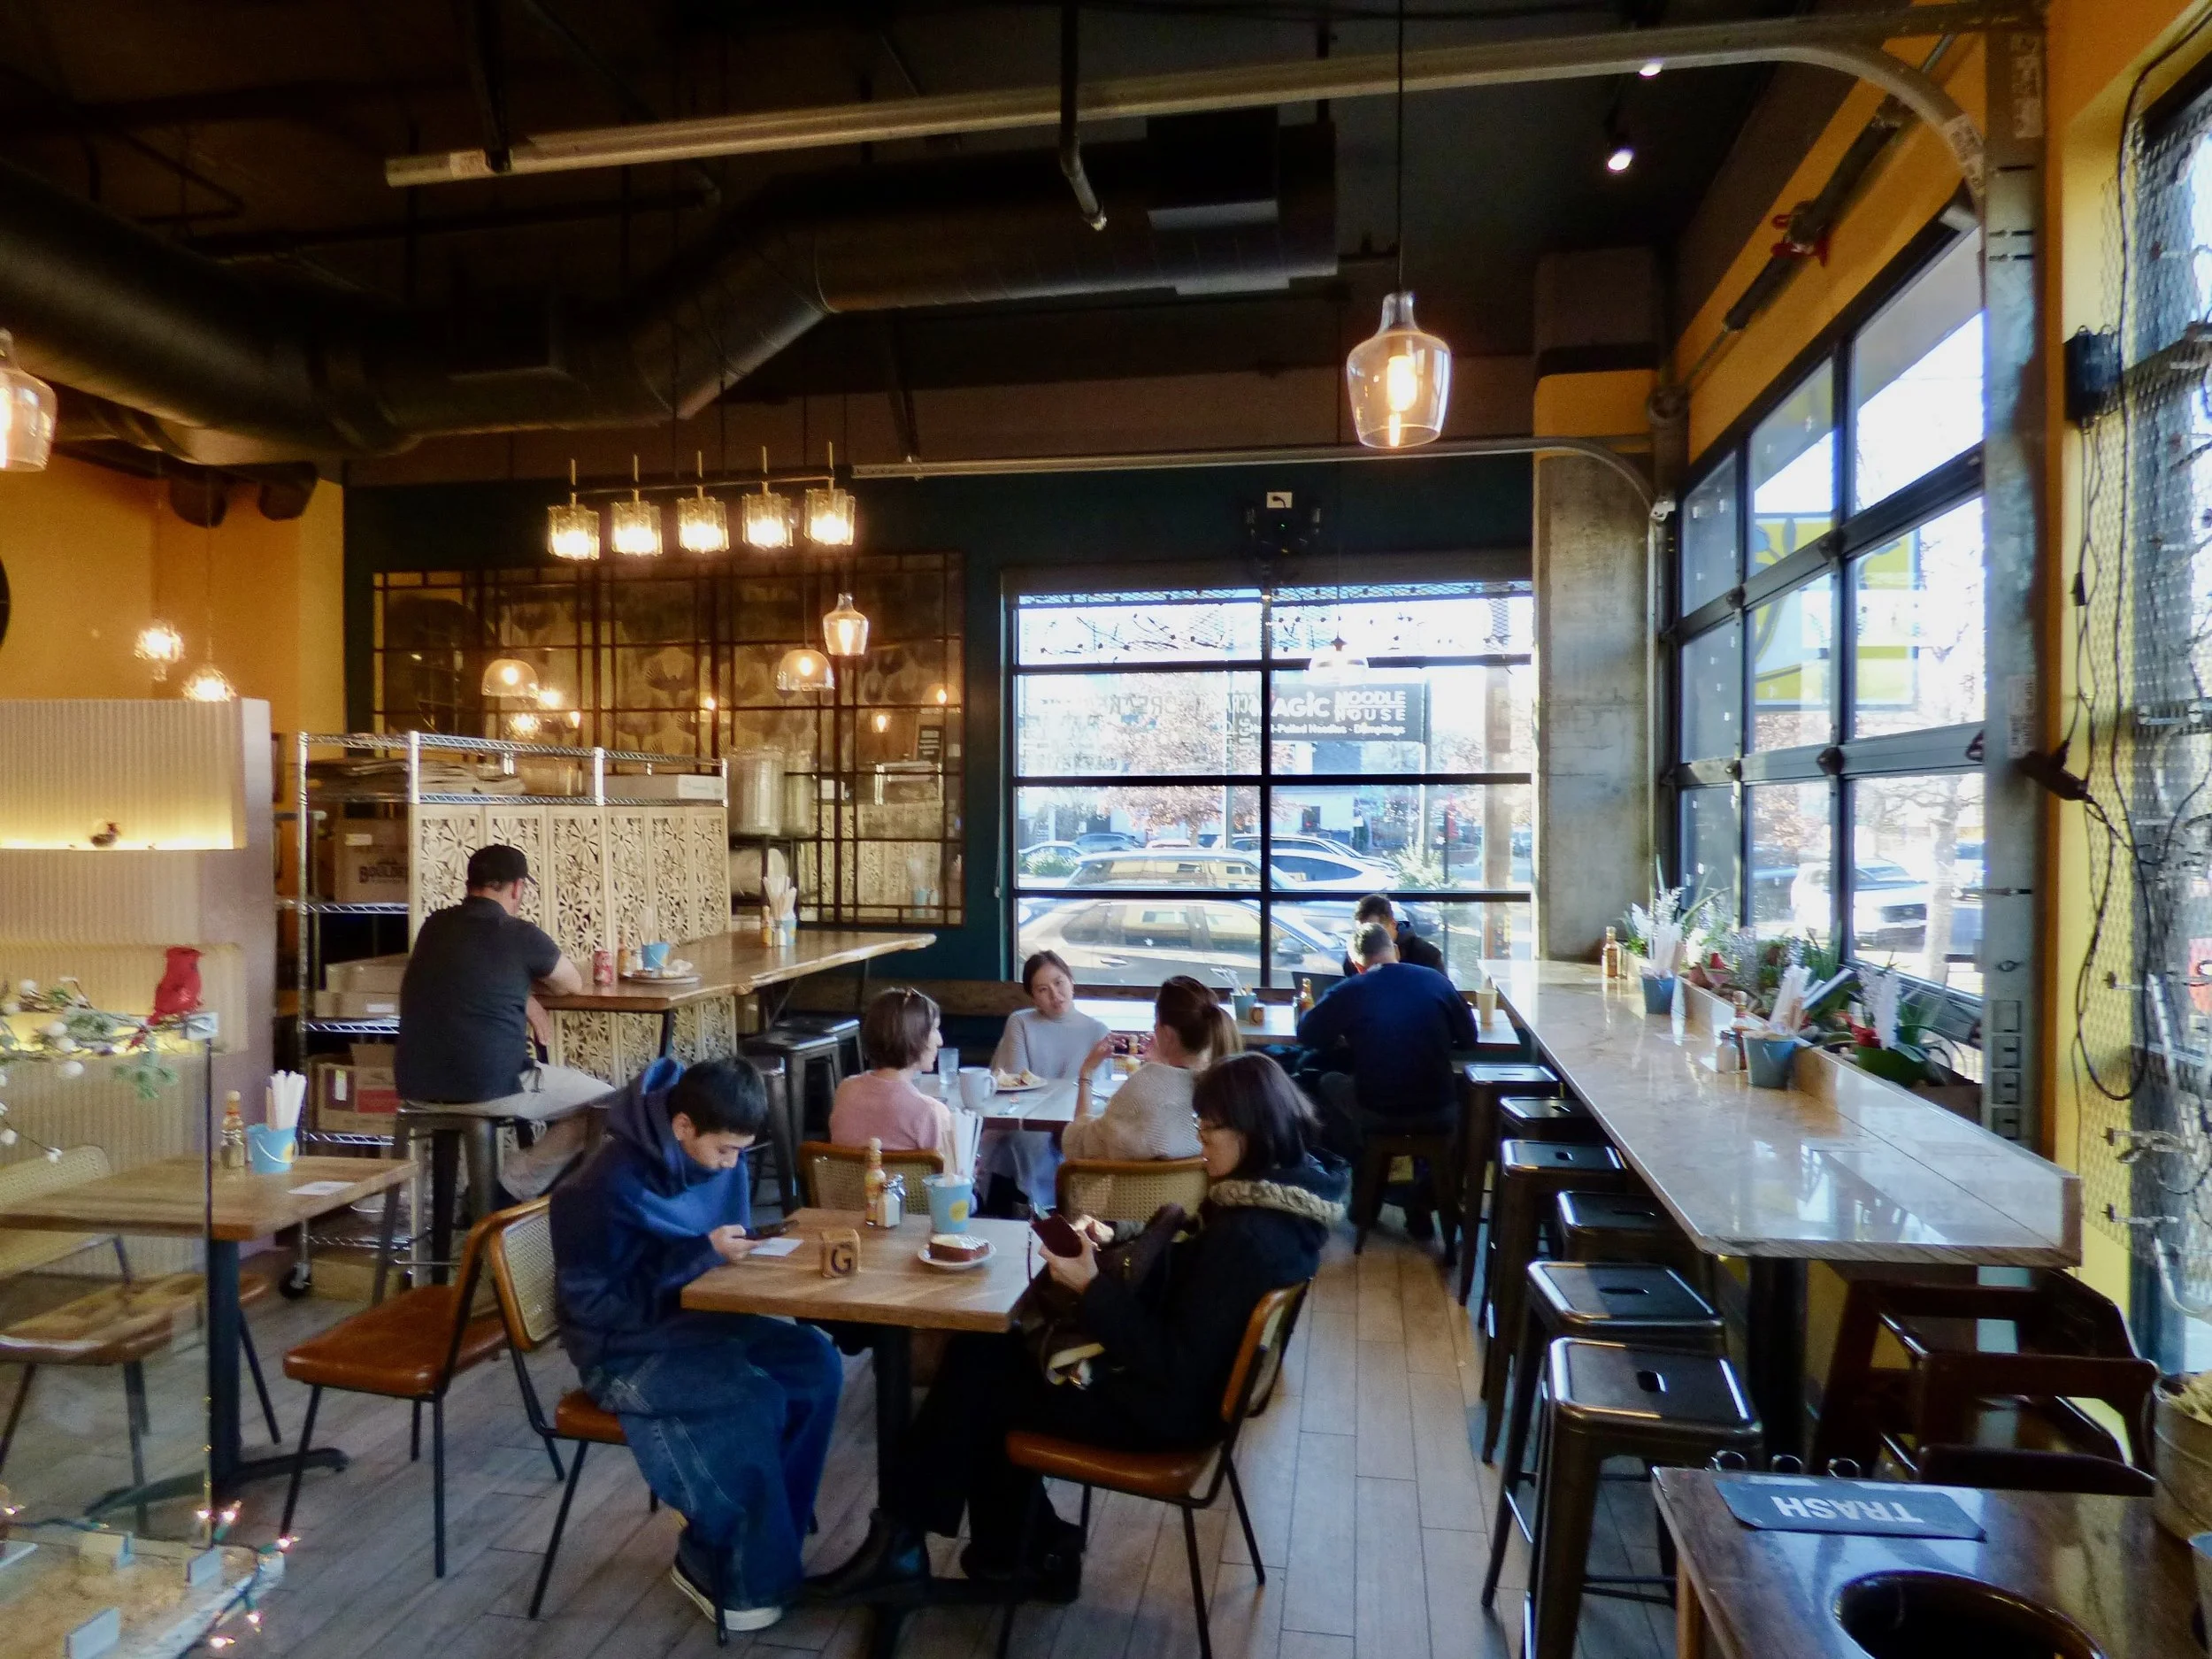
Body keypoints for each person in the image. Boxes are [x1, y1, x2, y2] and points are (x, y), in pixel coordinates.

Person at [808, 1051, 1346, 1605]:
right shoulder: (1285, 1206)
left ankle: (909, 1543)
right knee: (988, 1356)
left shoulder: (1248, 1238)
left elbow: (1172, 1361)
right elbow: (1197, 1299)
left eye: (1210, 1128)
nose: (1200, 1140)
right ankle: (1013, 1551)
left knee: (980, 1374)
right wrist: (1119, 1246)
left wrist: (1093, 1286)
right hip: (1187, 1399)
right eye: (1199, 1124)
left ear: (1253, 1131)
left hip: (1167, 1415)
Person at [550, 1058, 843, 1633]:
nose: (733, 1165)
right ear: (683, 1126)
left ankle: (770, 1538)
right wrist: (700, 1254)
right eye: (726, 1151)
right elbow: (594, 1307)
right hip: (621, 1350)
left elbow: (709, 1250)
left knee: (815, 1362)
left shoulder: (709, 1149)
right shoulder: (602, 1187)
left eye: (742, 1151)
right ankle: (735, 1565)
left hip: (695, 1320)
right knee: (750, 1396)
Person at [394, 843, 603, 1198]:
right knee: (610, 1105)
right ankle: (509, 1188)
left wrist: (522, 996)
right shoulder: (520, 934)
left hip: (415, 1086)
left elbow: (466, 974)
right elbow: (572, 984)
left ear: (469, 883)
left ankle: (491, 1198)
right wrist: (527, 992)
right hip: (487, 1086)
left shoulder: (433, 928)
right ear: (518, 888)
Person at [1298, 920, 1477, 1237]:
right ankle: (1411, 1196)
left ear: (1356, 964)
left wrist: (1349, 1031)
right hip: (1440, 1108)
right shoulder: (1435, 980)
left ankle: (1366, 1189)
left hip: (1379, 1108)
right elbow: (1469, 1038)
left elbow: (1308, 1033)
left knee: (1325, 1081)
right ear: (1394, 950)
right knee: (1400, 1106)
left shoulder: (1352, 989)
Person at [978, 951, 1110, 1215]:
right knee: (1021, 1144)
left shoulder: (1097, 1031)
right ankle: (1021, 1218)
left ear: (1071, 980)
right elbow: (1014, 1081)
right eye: (1043, 989)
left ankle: (1059, 1219)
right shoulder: (1021, 1022)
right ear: (1033, 997)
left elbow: (1099, 1095)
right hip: (1024, 1123)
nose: (1055, 995)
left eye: (1059, 983)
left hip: (1074, 1123)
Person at [1059, 975, 1237, 1163]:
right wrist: (1163, 1065)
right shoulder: (1226, 1087)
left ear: (1167, 1035)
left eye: (1156, 1023)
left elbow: (1078, 1146)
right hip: (1197, 1192)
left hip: (1127, 1192)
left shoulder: (1142, 1088)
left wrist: (1086, 1073)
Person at [828, 987, 957, 1166]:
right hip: (909, 1195)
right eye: (934, 1029)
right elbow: (952, 1183)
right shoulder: (930, 1112)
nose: (940, 1040)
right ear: (913, 1036)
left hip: (845, 1194)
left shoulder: (845, 1090)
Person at [1338, 894, 1444, 977]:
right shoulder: (1355, 956)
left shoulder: (1426, 954)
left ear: (1393, 924)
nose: (1368, 937)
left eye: (1377, 929)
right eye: (1361, 932)